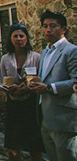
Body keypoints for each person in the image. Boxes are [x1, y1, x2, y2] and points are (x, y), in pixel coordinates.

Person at [29, 10, 76, 161]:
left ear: (63, 29)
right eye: (45, 26)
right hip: (45, 117)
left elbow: (75, 82)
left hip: (64, 119)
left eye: (53, 26)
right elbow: (45, 79)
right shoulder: (44, 52)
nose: (48, 30)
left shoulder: (72, 51)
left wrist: (49, 88)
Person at [0, 24, 43, 161]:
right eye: (15, 36)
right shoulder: (5, 59)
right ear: (11, 39)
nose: (19, 39)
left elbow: (41, 79)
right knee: (13, 145)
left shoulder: (36, 58)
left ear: (26, 38)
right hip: (13, 104)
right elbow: (0, 82)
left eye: (21, 36)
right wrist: (11, 90)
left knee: (34, 145)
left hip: (31, 105)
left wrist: (27, 88)